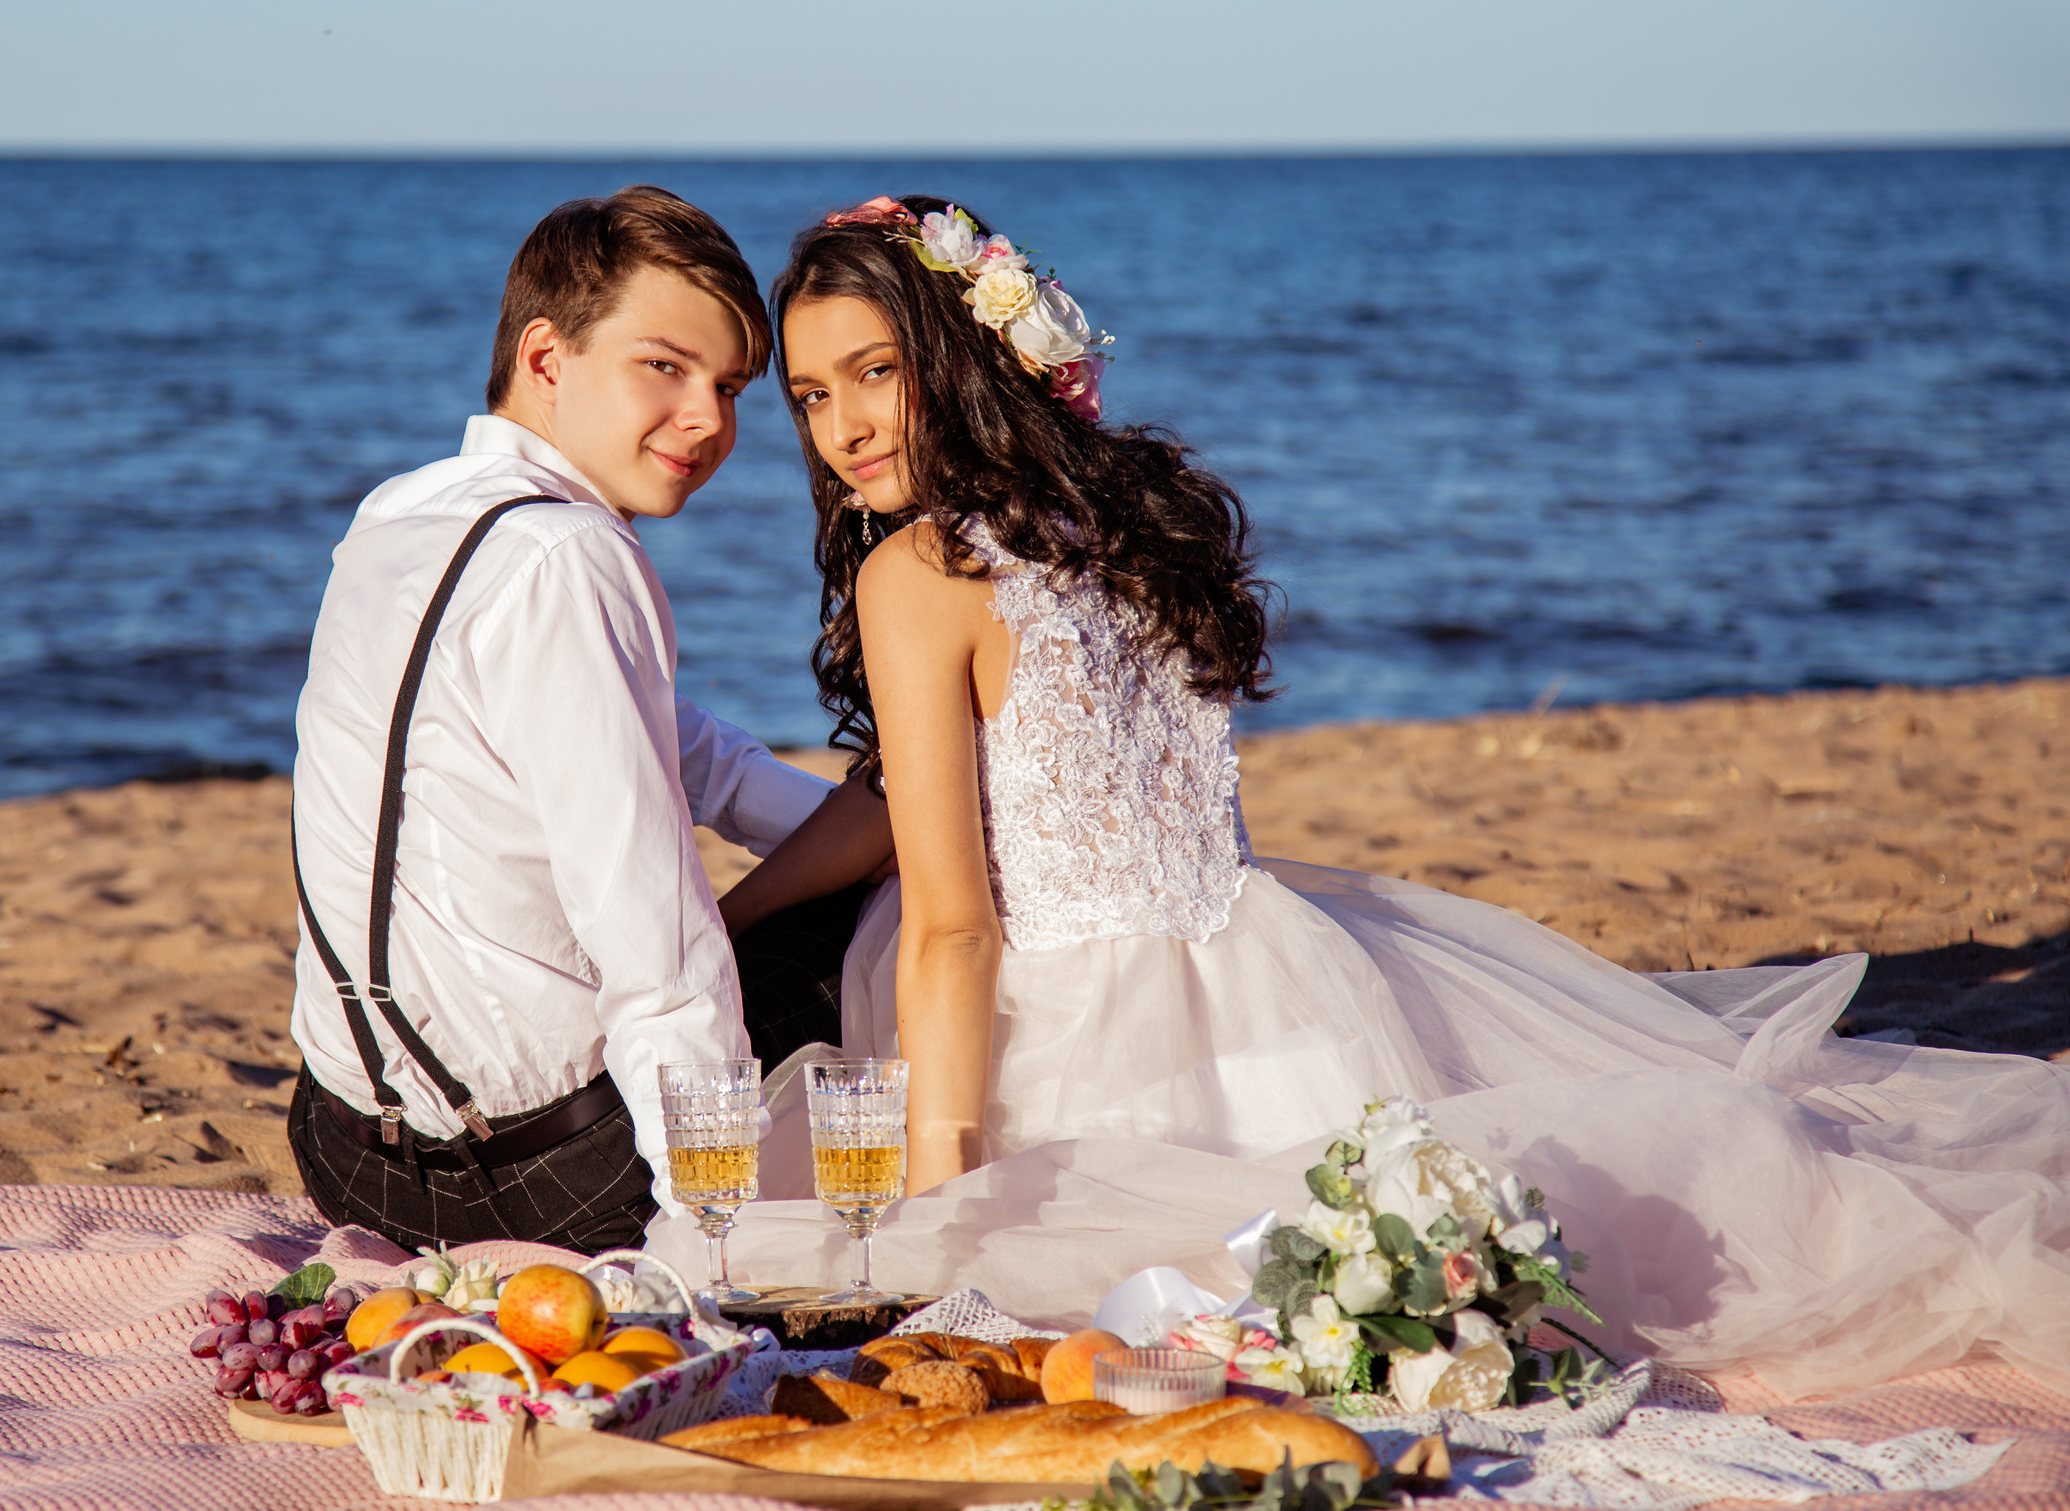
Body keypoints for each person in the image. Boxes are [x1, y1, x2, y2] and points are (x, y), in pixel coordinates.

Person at [650, 193, 2070, 1398]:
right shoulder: (1113, 520)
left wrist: (941, 1205)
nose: (840, 424)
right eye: (812, 393)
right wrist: (742, 905)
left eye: (875, 371)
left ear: (960, 354)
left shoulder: (919, 570)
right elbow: (927, 789)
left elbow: (956, 924)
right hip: (1271, 974)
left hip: (1059, 1025)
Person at [284, 186, 889, 1253]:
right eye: (664, 366)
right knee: (865, 934)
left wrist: (867, 823)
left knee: (862, 866)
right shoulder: (570, 557)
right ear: (549, 358)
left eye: (732, 386)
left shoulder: (402, 512)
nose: (709, 419)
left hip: (342, 1159)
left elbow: (680, 743)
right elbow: (652, 942)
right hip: (539, 1184)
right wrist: (709, 1237)